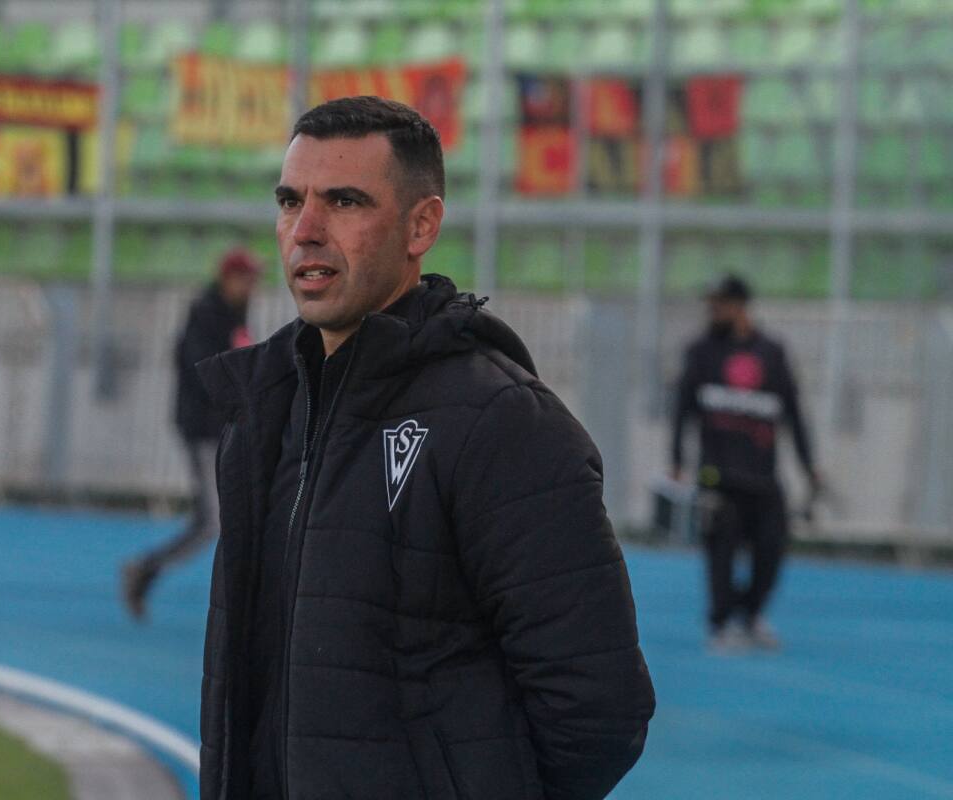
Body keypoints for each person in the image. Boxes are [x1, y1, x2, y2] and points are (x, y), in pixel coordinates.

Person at [195, 96, 654, 800]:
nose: (306, 231)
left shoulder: (500, 421)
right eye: (291, 201)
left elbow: (598, 713)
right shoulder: (265, 412)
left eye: (344, 202)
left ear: (422, 225)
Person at [671, 274, 821, 653]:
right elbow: (682, 410)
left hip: (762, 475)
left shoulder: (771, 353)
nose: (713, 310)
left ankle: (751, 615)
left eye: (720, 303)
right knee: (720, 553)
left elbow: (793, 413)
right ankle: (721, 623)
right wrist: (675, 460)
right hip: (717, 474)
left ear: (740, 306)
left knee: (771, 551)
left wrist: (809, 465)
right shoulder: (701, 351)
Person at [121, 247, 261, 619]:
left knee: (218, 517)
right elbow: (207, 372)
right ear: (228, 277)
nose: (251, 286)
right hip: (205, 430)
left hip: (223, 429)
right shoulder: (206, 313)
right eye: (245, 278)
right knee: (212, 520)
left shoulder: (232, 313)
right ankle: (146, 568)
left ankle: (148, 568)